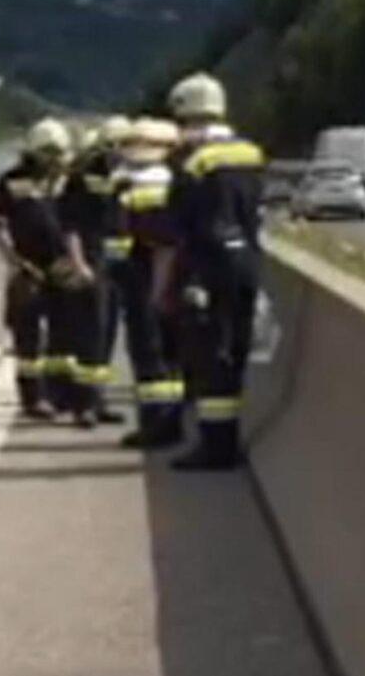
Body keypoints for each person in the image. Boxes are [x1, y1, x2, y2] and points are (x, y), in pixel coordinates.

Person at [154, 74, 267, 471]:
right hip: (247, 264)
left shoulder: (194, 163)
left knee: (209, 359)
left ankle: (215, 447)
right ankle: (227, 441)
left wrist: (163, 287)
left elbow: (174, 233)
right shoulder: (251, 154)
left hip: (208, 269)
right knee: (234, 353)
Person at [0, 119, 89, 422]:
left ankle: (63, 394)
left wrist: (79, 261)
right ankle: (33, 398)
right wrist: (12, 260)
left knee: (66, 331)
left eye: (57, 154)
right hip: (28, 265)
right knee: (27, 334)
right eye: (47, 154)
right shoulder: (14, 181)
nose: (52, 160)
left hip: (63, 263)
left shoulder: (69, 179)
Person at [111, 118, 186, 449]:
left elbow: (159, 243)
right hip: (161, 277)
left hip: (147, 277)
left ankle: (157, 425)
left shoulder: (140, 185)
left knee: (149, 352)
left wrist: (157, 290)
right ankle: (168, 420)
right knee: (167, 353)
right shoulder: (169, 179)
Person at [59, 118, 127, 425]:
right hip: (92, 259)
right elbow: (70, 225)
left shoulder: (130, 175)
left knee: (109, 332)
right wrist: (79, 264)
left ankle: (98, 400)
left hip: (121, 263)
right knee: (91, 333)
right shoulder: (83, 178)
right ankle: (83, 404)